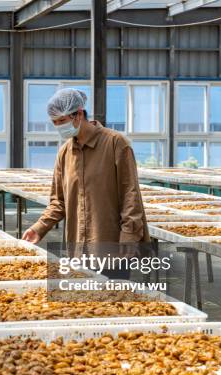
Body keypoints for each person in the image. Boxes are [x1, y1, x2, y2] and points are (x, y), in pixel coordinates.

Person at [21, 88, 149, 272]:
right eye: (54, 122)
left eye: (62, 121)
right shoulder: (65, 153)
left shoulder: (115, 143)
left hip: (111, 246)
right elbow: (59, 201)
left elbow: (131, 194)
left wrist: (129, 236)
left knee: (112, 297)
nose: (58, 126)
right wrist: (39, 228)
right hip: (77, 251)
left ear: (78, 114)